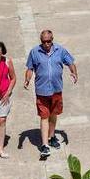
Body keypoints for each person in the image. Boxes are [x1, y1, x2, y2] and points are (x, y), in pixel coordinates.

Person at [23, 30, 78, 158]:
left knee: (53, 114)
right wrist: (27, 79)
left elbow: (70, 62)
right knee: (44, 116)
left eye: (49, 41)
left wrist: (74, 73)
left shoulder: (60, 50)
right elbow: (30, 68)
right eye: (44, 42)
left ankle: (52, 136)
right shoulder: (34, 52)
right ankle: (44, 145)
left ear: (52, 39)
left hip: (56, 89)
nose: (46, 44)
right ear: (41, 41)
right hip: (42, 90)